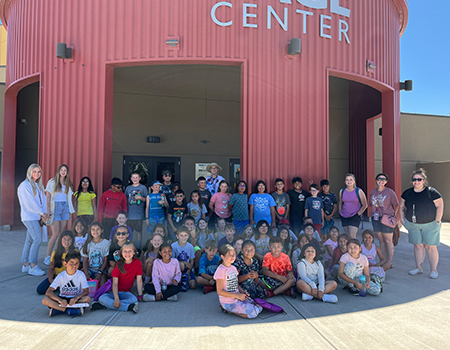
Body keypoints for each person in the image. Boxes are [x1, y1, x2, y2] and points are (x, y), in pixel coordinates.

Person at [399, 169, 444, 279]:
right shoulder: (407, 193)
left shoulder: (431, 192)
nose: (416, 182)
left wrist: (437, 220)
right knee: (418, 246)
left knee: (430, 247)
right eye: (414, 179)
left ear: (424, 180)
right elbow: (401, 207)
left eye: (419, 179)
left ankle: (434, 270)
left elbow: (440, 206)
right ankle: (418, 268)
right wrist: (402, 220)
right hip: (413, 225)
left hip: (430, 224)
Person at [214, 244, 262, 319]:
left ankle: (237, 308)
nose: (233, 257)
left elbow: (236, 284)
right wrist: (237, 295)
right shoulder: (221, 270)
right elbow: (219, 291)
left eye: (234, 254)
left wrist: (243, 292)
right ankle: (228, 310)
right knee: (254, 312)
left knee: (258, 306)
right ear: (222, 257)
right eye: (230, 255)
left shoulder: (233, 268)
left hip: (237, 298)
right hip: (228, 302)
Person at [18, 164, 49, 276]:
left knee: (30, 241)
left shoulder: (38, 185)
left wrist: (44, 214)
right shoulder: (24, 186)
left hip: (36, 217)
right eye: (34, 171)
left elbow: (43, 201)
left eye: (39, 171)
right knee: (37, 240)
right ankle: (33, 266)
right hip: (29, 217)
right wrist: (42, 213)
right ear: (29, 172)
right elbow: (29, 203)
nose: (37, 173)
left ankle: (26, 265)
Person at [94, 242, 143, 313]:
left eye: (130, 251)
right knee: (102, 298)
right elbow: (115, 283)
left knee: (134, 300)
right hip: (114, 292)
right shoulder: (118, 264)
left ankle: (105, 306)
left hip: (126, 292)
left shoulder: (138, 263)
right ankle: (128, 307)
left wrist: (140, 295)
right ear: (121, 253)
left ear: (134, 253)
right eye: (125, 251)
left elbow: (139, 280)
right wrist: (116, 298)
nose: (127, 253)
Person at [42, 250, 90, 317]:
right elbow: (48, 292)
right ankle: (69, 310)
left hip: (75, 299)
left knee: (87, 299)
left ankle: (58, 310)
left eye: (77, 263)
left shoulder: (81, 274)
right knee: (45, 300)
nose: (74, 265)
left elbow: (86, 291)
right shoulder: (61, 276)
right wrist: (60, 300)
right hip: (62, 298)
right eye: (71, 263)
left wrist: (76, 298)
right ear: (65, 264)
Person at [44, 164, 75, 266]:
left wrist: (71, 209)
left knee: (61, 234)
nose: (63, 172)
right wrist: (48, 209)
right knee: (55, 234)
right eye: (62, 170)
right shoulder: (52, 182)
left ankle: (57, 255)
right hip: (55, 207)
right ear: (58, 171)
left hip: (65, 207)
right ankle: (48, 256)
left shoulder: (67, 183)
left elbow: (69, 197)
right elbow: (48, 196)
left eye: (65, 170)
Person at [368, 173, 399, 270]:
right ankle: (384, 260)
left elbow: (396, 205)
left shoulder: (390, 192)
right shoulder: (372, 192)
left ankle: (389, 262)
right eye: (378, 179)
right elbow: (371, 204)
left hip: (387, 218)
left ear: (386, 181)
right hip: (375, 217)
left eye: (383, 179)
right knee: (381, 240)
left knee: (388, 240)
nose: (381, 181)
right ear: (376, 180)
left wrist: (393, 216)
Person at [37, 230, 76, 295]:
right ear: (60, 241)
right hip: (57, 277)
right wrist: (51, 279)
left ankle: (60, 288)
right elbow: (51, 267)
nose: (66, 241)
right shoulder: (56, 252)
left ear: (72, 241)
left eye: (69, 239)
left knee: (64, 293)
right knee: (40, 290)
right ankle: (58, 287)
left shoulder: (75, 252)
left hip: (69, 278)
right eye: (64, 239)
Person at [338, 173, 368, 239]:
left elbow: (365, 205)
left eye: (351, 180)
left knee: (352, 236)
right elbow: (340, 202)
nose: (349, 182)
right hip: (344, 215)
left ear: (354, 181)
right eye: (347, 180)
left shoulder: (358, 191)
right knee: (347, 236)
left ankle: (356, 249)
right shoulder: (342, 191)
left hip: (354, 215)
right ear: (345, 181)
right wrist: (340, 212)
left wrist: (358, 214)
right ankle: (349, 249)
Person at [81, 221, 111, 287]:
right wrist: (86, 274)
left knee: (102, 286)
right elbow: (85, 261)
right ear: (90, 231)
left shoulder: (106, 243)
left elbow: (105, 260)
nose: (95, 231)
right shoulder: (87, 244)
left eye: (98, 229)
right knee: (81, 276)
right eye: (93, 229)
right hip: (89, 269)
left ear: (102, 230)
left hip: (101, 270)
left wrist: (100, 272)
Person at [125, 171, 148, 250]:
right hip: (129, 214)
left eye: (137, 178)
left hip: (139, 214)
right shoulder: (128, 188)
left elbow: (147, 200)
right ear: (131, 179)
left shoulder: (143, 188)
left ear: (140, 178)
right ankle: (129, 246)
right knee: (129, 232)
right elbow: (125, 200)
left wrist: (140, 198)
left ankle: (138, 247)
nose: (135, 179)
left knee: (139, 231)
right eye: (133, 178)